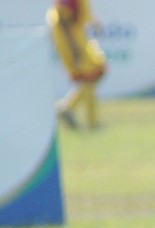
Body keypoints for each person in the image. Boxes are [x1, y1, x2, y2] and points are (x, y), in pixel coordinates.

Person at [47, 0, 107, 130]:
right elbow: (62, 15)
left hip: (76, 33)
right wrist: (74, 50)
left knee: (93, 74)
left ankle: (79, 114)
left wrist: (93, 20)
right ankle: (73, 111)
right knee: (92, 73)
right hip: (70, 36)